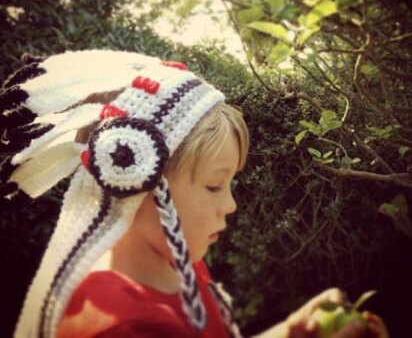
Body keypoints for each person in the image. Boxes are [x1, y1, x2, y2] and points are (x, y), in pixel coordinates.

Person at [0, 50, 388, 338]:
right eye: (214, 185)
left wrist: (289, 331)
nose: (231, 204)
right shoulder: (120, 326)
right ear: (136, 179)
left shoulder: (177, 263)